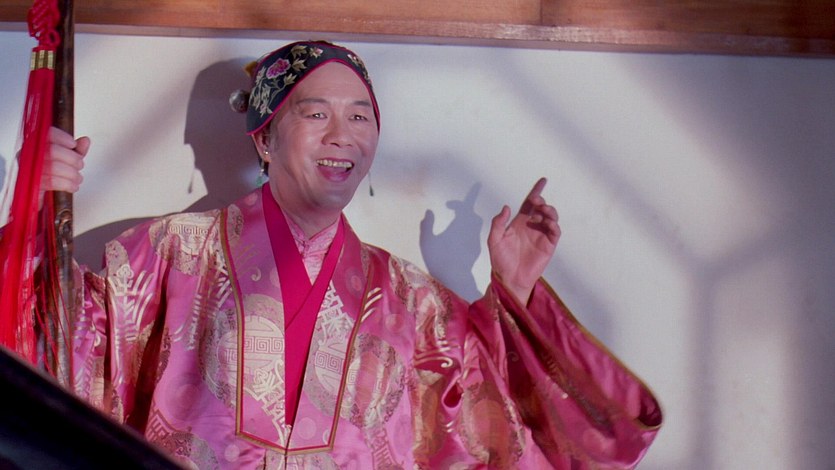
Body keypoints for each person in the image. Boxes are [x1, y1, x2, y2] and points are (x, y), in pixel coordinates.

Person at [39, 41, 662, 469]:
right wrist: (34, 209)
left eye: (360, 118)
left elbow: (491, 427)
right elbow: (55, 342)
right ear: (265, 137)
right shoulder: (170, 254)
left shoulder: (415, 304)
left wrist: (514, 293)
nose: (342, 136)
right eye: (316, 114)